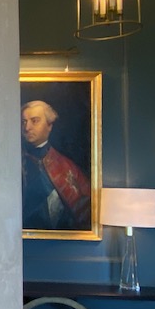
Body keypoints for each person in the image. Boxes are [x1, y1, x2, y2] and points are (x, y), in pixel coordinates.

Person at [21, 99, 91, 231]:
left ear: (49, 126)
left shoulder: (66, 165)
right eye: (24, 122)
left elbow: (84, 210)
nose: (27, 127)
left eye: (34, 121)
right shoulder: (12, 163)